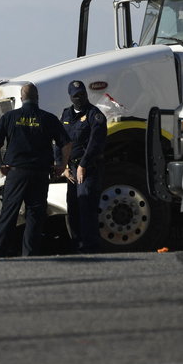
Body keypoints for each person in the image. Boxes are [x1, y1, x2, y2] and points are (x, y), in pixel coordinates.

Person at [0, 82, 71, 258]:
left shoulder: (9, 117)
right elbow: (66, 143)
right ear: (37, 98)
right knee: (35, 216)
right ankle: (30, 255)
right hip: (40, 174)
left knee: (8, 214)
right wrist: (62, 165)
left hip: (16, 173)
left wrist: (0, 164)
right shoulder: (48, 118)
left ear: (21, 98)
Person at [60, 80, 107, 253]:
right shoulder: (66, 115)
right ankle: (77, 245)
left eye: (82, 95)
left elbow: (96, 143)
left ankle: (90, 247)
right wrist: (63, 166)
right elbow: (60, 141)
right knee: (73, 208)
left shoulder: (95, 115)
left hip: (88, 169)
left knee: (86, 206)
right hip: (71, 170)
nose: (80, 98)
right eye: (76, 96)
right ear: (71, 97)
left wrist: (83, 165)